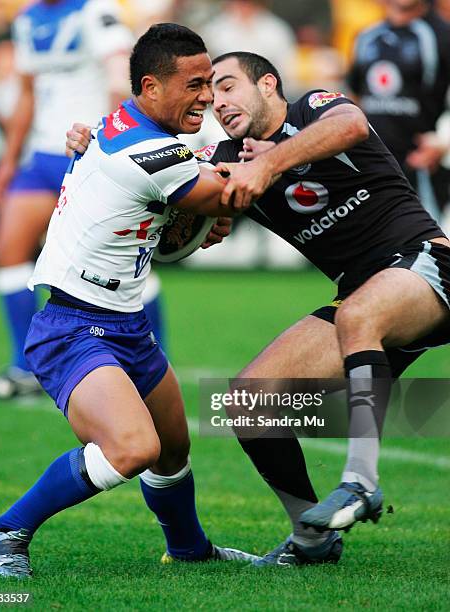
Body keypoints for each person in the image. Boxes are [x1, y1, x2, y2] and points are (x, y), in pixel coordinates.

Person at [67, 48, 450, 567]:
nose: (216, 101)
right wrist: (91, 147)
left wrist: (268, 162)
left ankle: (360, 481)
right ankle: (312, 538)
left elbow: (353, 125)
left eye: (226, 86)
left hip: (425, 264)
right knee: (249, 405)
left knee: (360, 317)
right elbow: (152, 178)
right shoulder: (227, 160)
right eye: (207, 91)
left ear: (268, 84)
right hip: (359, 289)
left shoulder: (312, 107)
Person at [0, 24, 259, 580]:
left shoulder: (125, 123)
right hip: (72, 326)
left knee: (174, 446)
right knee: (133, 448)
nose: (206, 96)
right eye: (195, 84)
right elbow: (218, 192)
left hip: (126, 320)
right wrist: (280, 152)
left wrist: (200, 213)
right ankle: (7, 529)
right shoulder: (145, 147)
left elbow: (191, 197)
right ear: (151, 87)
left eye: (211, 82)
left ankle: (189, 549)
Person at [0, 0, 140, 398]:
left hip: (90, 152)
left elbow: (121, 80)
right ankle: (26, 368)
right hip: (42, 155)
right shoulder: (27, 19)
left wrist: (111, 145)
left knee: (118, 262)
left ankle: (148, 363)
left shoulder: (96, 9)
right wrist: (9, 160)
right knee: (7, 251)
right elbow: (27, 93)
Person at [347, 0, 450, 221]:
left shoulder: (441, 35)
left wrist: (444, 142)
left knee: (431, 246)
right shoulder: (365, 37)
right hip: (374, 165)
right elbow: (355, 96)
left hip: (423, 166)